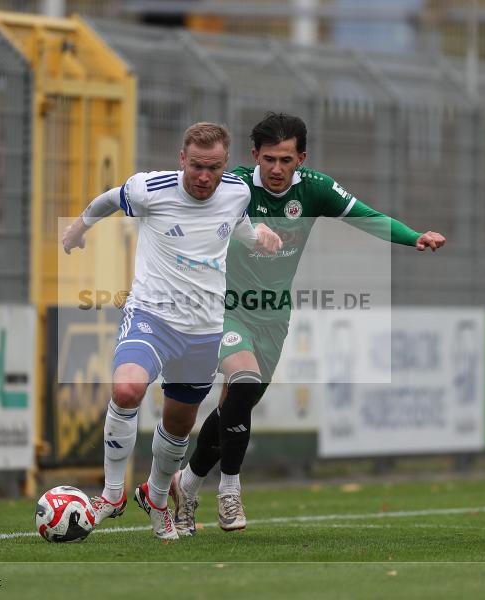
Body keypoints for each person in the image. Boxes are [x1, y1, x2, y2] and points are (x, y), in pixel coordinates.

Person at [169, 113, 446, 535]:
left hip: (273, 315)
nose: (277, 169)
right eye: (268, 160)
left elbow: (365, 216)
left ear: (301, 158)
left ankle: (186, 484)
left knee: (237, 404)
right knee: (241, 382)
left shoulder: (315, 189)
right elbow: (187, 204)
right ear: (254, 157)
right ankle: (229, 490)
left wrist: (413, 236)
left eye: (285, 159)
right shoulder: (234, 186)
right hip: (223, 307)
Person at [61, 122, 282, 540]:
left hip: (203, 329)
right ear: (183, 159)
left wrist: (259, 237)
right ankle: (111, 494)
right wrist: (80, 226)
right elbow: (109, 199)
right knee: (126, 389)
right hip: (152, 316)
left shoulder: (238, 191)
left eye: (213, 168)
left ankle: (157, 498)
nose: (204, 177)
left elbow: (241, 228)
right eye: (196, 166)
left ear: (224, 165)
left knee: (178, 425)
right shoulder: (150, 189)